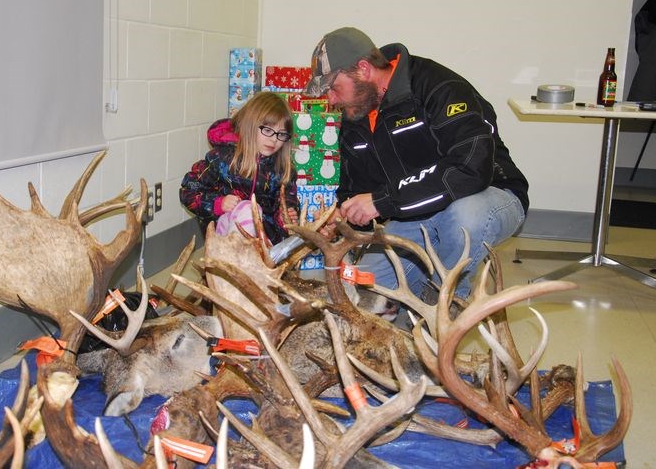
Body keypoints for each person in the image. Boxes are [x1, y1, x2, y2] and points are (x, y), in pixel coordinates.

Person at [304, 27, 529, 300]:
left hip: (488, 198)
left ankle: (445, 307)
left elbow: (470, 170)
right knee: (362, 295)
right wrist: (341, 218)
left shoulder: (439, 87)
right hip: (415, 214)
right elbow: (357, 191)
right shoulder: (356, 117)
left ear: (363, 69)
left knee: (464, 218)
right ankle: (421, 291)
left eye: (333, 88)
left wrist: (382, 201)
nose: (331, 100)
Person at [180, 91, 299, 245]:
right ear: (250, 126)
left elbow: (288, 203)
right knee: (248, 209)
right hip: (225, 236)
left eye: (281, 134)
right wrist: (218, 204)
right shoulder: (222, 159)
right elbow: (188, 191)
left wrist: (286, 217)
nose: (274, 140)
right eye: (268, 131)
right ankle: (238, 257)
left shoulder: (283, 170)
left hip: (265, 241)